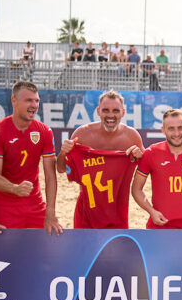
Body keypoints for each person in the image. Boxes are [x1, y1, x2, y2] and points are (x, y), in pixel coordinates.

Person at [56, 90, 144, 229]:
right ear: (98, 111)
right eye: (106, 110)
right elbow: (61, 169)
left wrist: (140, 156)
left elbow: (147, 167)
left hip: (118, 211)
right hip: (86, 211)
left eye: (115, 110)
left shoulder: (131, 137)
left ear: (123, 112)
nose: (110, 115)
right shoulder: (82, 135)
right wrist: (63, 152)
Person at [0, 81, 61, 235]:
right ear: (14, 100)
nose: (34, 105)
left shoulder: (44, 131)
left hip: (35, 203)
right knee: (6, 249)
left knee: (49, 242)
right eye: (29, 100)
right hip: (4, 205)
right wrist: (14, 188)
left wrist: (50, 211)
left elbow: (50, 176)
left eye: (37, 101)